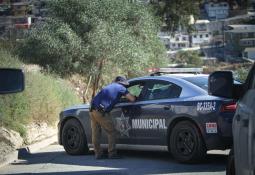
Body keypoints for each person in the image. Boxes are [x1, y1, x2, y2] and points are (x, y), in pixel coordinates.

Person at [89, 76, 136, 159]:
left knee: (96, 133)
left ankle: (98, 154)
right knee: (112, 132)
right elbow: (132, 99)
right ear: (122, 83)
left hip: (92, 110)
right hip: (101, 112)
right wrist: (135, 97)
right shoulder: (121, 88)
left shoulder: (109, 86)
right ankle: (112, 153)